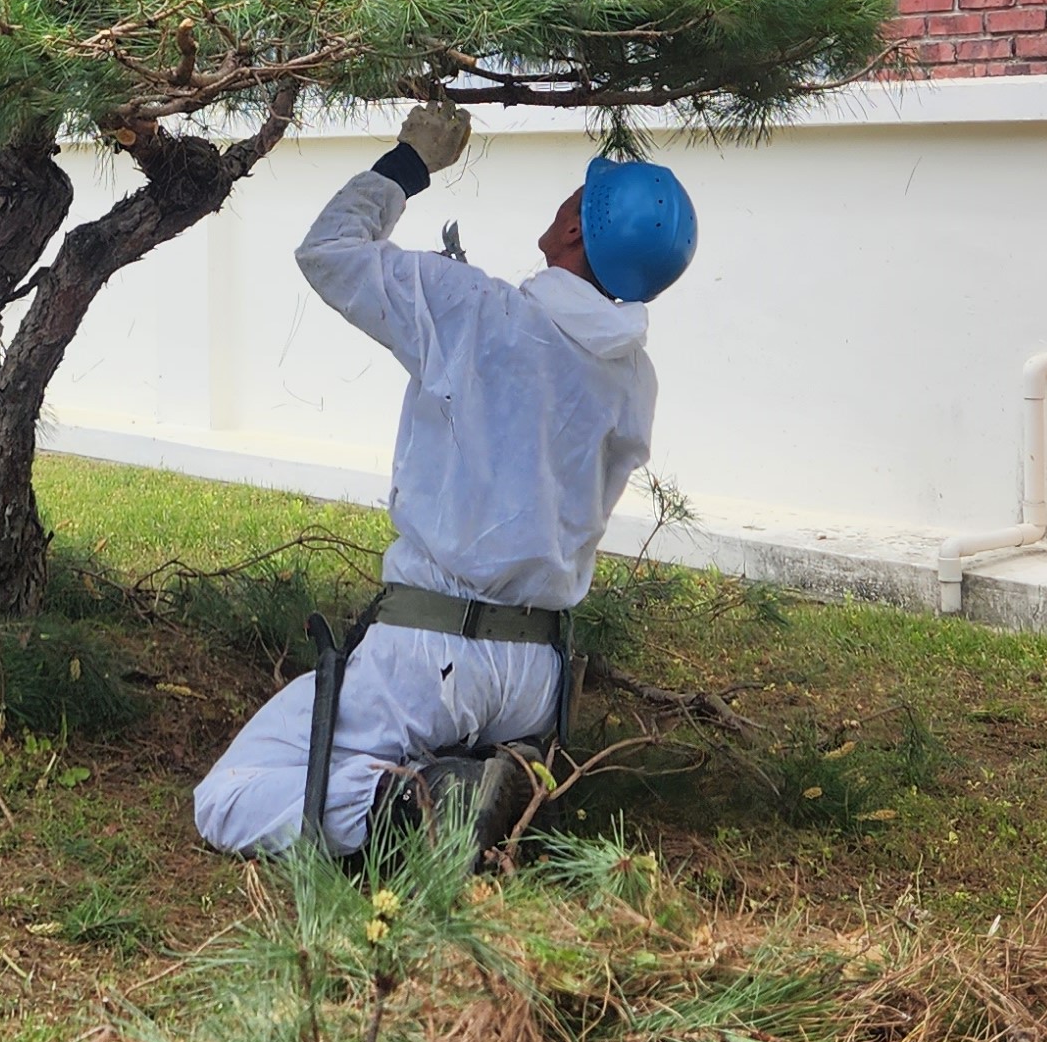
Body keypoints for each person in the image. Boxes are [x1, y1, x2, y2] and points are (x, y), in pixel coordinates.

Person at [191, 102, 697, 857]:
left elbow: (330, 251)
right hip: (537, 678)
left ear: (571, 231)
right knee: (411, 739)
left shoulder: (471, 308)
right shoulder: (634, 379)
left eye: (576, 199)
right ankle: (491, 776)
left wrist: (410, 163)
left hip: (433, 657)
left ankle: (426, 806)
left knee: (229, 796)